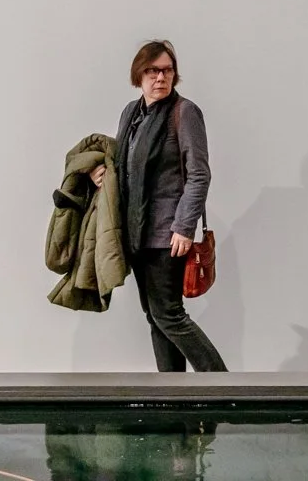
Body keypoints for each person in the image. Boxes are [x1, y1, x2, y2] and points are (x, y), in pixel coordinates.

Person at [92, 40, 226, 372]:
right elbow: (127, 166)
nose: (160, 77)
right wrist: (102, 176)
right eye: (152, 71)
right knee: (155, 317)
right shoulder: (131, 113)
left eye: (167, 70)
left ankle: (223, 387)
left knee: (169, 315)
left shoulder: (184, 113)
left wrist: (183, 226)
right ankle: (174, 396)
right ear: (139, 75)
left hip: (167, 234)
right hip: (136, 231)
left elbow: (199, 174)